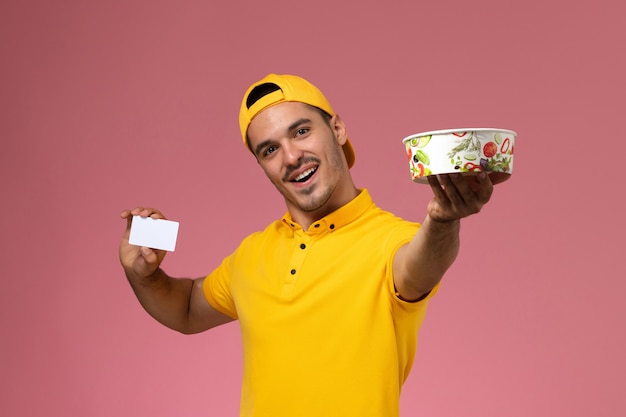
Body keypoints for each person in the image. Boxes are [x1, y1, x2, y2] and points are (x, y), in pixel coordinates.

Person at [119, 73, 493, 417]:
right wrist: (146, 275)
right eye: (269, 150)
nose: (292, 156)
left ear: (338, 128)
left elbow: (421, 265)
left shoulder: (392, 240)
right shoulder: (252, 254)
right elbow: (185, 308)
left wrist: (443, 220)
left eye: (300, 132)